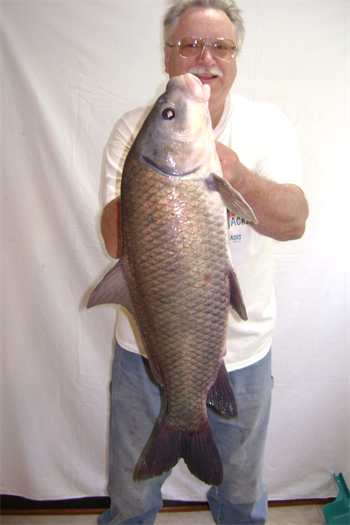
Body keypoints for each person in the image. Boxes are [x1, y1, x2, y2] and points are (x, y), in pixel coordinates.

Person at [97, 1, 309, 524]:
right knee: (129, 500)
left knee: (240, 497)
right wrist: (154, 180)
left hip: (245, 353)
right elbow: (111, 240)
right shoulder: (133, 130)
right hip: (146, 352)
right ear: (167, 55)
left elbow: (295, 220)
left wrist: (233, 173)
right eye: (189, 44)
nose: (204, 58)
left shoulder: (266, 125)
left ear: (235, 57)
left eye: (220, 46)